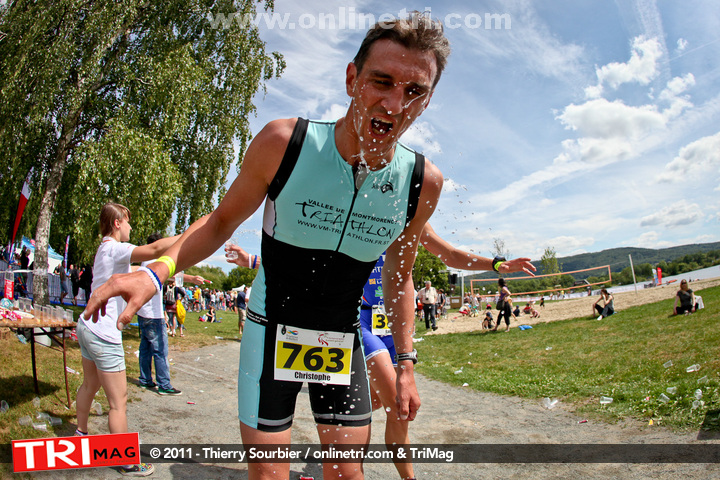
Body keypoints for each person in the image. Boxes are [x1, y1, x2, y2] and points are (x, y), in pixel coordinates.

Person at [85, 13, 454, 480]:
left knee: (347, 474)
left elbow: (400, 276)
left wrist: (406, 363)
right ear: (351, 79)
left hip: (340, 340)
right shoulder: (286, 143)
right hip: (269, 328)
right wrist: (156, 271)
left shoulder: (423, 183)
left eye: (414, 91)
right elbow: (220, 222)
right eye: (382, 81)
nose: (395, 103)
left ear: (427, 100)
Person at [224, 224, 535, 480]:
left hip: (392, 329)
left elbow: (448, 253)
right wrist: (251, 260)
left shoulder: (406, 212)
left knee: (397, 413)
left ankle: (385, 452)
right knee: (395, 399)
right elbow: (305, 261)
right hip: (359, 322)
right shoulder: (358, 210)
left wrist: (495, 264)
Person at [76, 203, 180, 477]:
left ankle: (80, 434)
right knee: (118, 402)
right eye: (129, 221)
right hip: (104, 333)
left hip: (87, 325)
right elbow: (157, 249)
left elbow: (139, 271)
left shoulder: (104, 249)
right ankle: (126, 461)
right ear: (117, 223)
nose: (132, 227)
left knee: (89, 385)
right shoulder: (115, 248)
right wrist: (189, 236)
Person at [137, 232, 208, 395]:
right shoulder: (155, 261)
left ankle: (145, 379)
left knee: (146, 347)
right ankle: (164, 384)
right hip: (153, 314)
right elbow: (172, 273)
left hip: (143, 312)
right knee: (160, 349)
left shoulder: (145, 260)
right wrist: (192, 278)